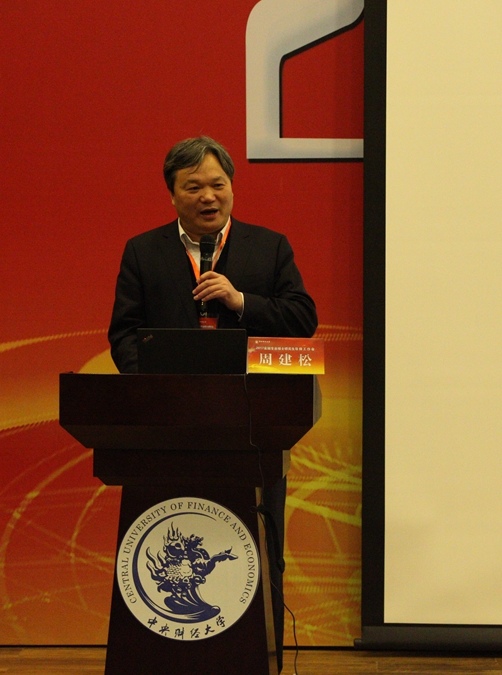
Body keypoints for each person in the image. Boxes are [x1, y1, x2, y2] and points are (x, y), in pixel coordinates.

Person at [107, 136, 317, 671]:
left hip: (251, 426)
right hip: (167, 429)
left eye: (218, 184)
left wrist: (240, 301)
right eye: (194, 187)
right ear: (172, 194)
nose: (208, 196)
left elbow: (302, 319)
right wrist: (153, 389)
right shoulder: (143, 251)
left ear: (232, 188)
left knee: (255, 548)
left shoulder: (268, 247)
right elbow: (124, 334)